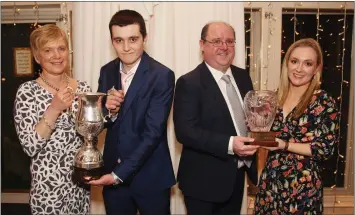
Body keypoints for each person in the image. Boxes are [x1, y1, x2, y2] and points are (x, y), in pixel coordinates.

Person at [89, 10, 176, 215]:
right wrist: (107, 110)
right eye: (119, 40)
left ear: (145, 38)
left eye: (133, 39)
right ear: (112, 41)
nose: (126, 47)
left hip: (151, 178)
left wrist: (118, 174)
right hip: (114, 179)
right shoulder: (106, 71)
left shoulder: (162, 75)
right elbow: (102, 123)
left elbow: (152, 132)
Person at [173, 21, 260, 215]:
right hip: (203, 184)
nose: (224, 47)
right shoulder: (189, 82)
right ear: (202, 45)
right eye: (217, 41)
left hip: (237, 177)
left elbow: (248, 118)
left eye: (229, 41)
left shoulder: (243, 76)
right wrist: (230, 144)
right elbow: (185, 131)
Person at [253, 38, 340, 214]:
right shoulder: (274, 98)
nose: (299, 69)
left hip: (302, 189)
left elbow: (325, 149)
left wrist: (285, 145)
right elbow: (267, 140)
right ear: (287, 64)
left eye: (307, 63)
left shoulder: (323, 102)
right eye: (294, 61)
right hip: (270, 185)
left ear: (316, 69)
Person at [13, 24, 91, 214]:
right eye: (48, 50)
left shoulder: (82, 88)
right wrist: (54, 109)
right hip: (48, 189)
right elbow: (30, 146)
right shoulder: (27, 92)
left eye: (61, 48)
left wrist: (110, 111)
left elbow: (91, 135)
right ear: (37, 56)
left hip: (79, 186)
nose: (57, 56)